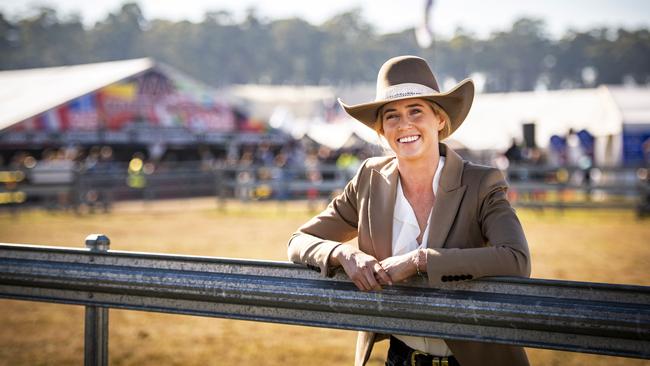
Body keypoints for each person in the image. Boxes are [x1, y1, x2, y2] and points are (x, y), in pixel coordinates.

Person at [287, 55, 531, 366]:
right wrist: (345, 255)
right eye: (392, 116)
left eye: (416, 111)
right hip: (400, 359)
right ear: (381, 130)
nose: (405, 125)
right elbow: (299, 240)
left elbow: (516, 259)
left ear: (440, 120)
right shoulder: (368, 179)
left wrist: (420, 261)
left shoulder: (481, 182)